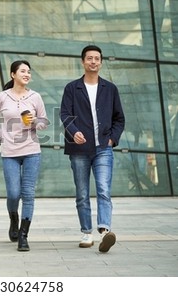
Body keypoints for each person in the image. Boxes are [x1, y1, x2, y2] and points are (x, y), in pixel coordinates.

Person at [60, 45, 125, 253]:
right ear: (83, 62)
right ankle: (86, 232)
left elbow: (119, 119)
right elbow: (65, 115)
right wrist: (74, 132)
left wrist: (112, 139)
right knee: (82, 193)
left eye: (97, 58)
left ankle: (105, 231)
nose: (93, 61)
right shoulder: (72, 88)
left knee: (104, 190)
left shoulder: (110, 89)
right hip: (79, 149)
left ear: (101, 62)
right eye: (89, 58)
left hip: (103, 148)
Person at [0, 60, 49, 251]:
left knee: (28, 194)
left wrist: (34, 123)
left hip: (31, 151)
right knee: (14, 193)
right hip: (10, 153)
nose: (27, 74)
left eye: (29, 71)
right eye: (23, 71)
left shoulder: (35, 97)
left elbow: (44, 121)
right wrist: (0, 137)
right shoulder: (2, 97)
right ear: (13, 74)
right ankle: (13, 216)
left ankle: (23, 234)